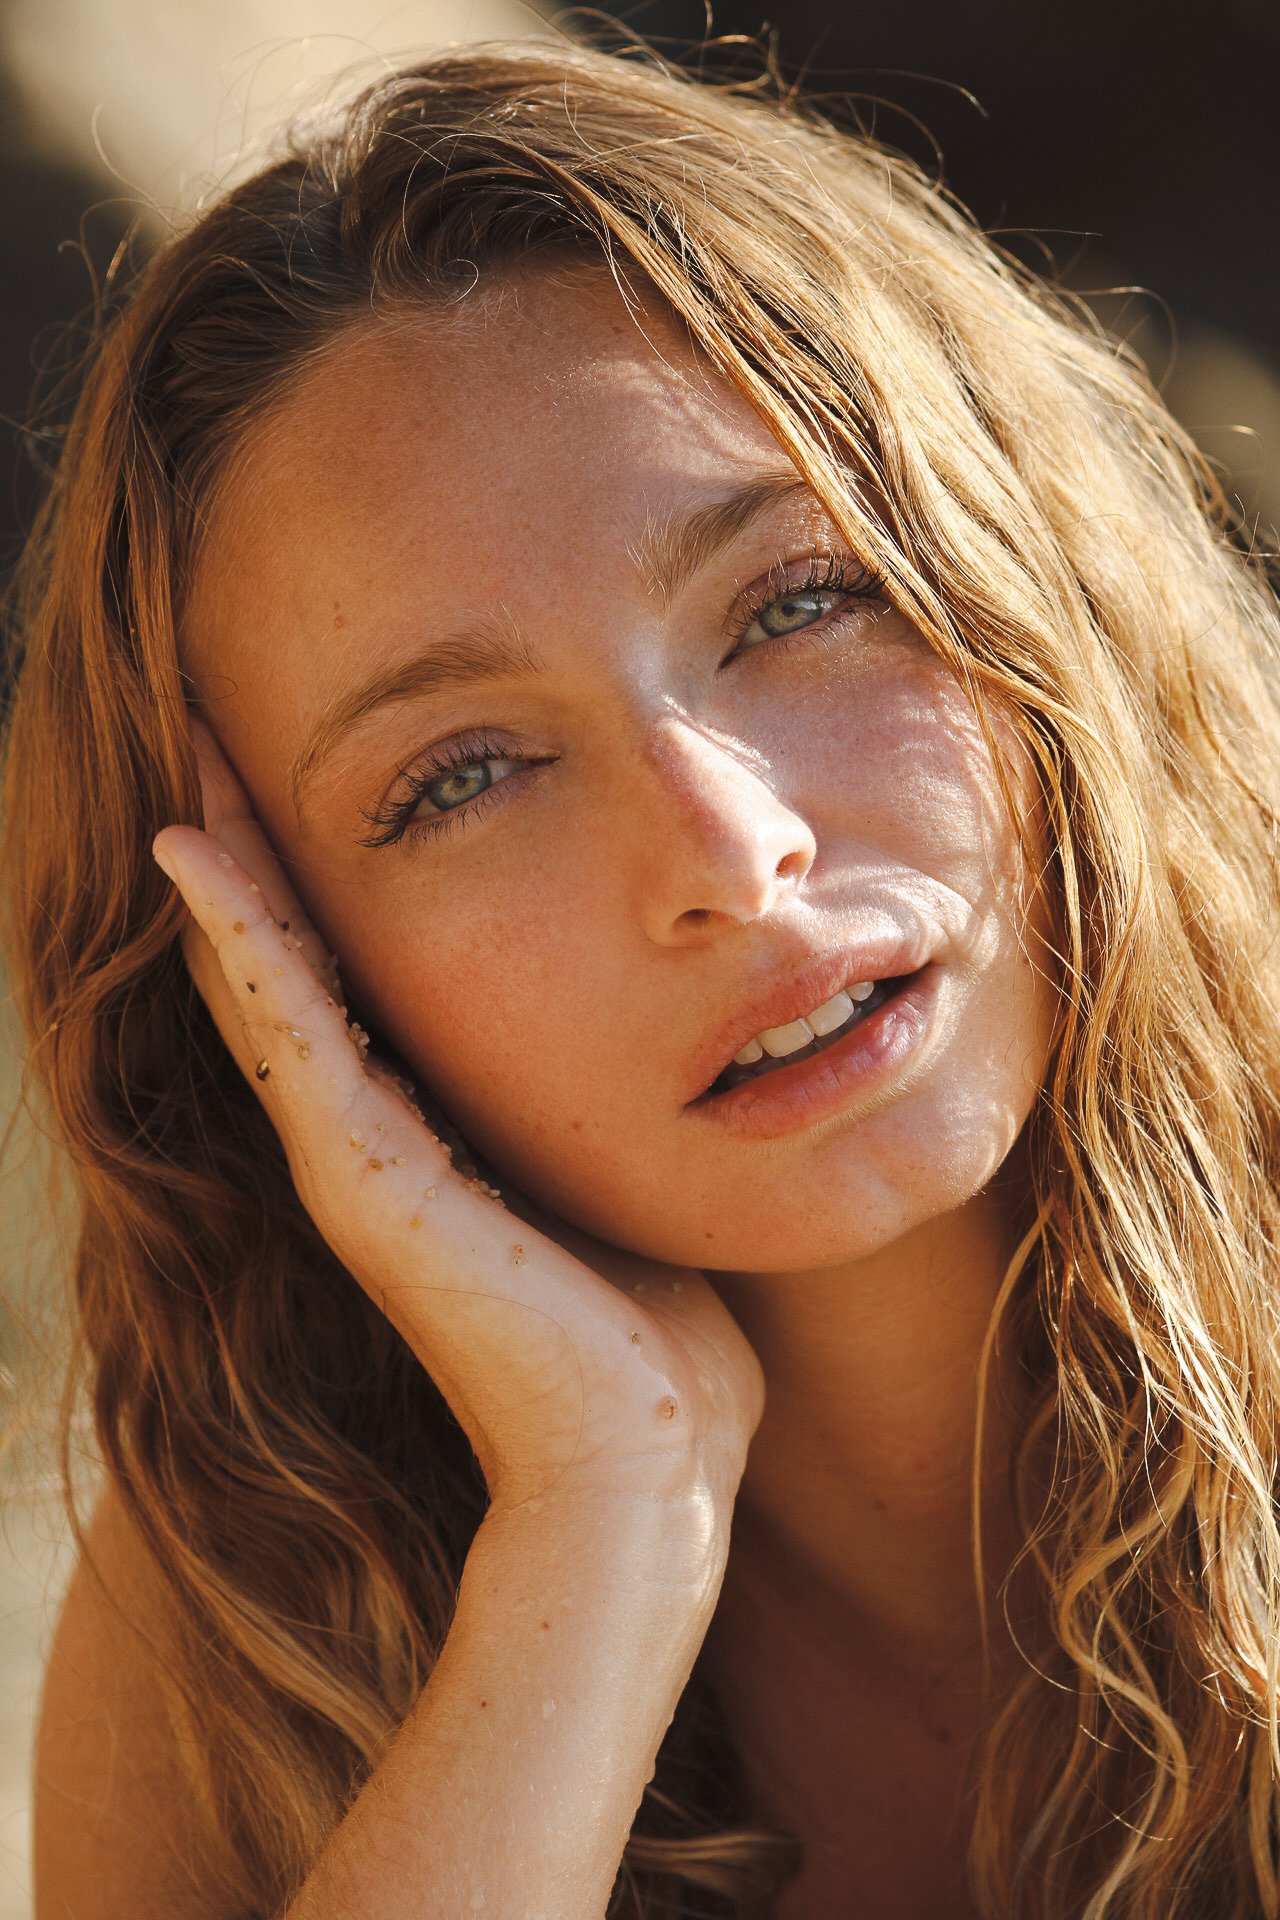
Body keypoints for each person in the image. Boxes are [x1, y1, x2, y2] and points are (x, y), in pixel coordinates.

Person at [5, 27, 1280, 1920]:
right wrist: (607, 1512)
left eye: (800, 602)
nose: (721, 850)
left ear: (1045, 592)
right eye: (461, 776)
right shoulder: (257, 1610)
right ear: (279, 961)